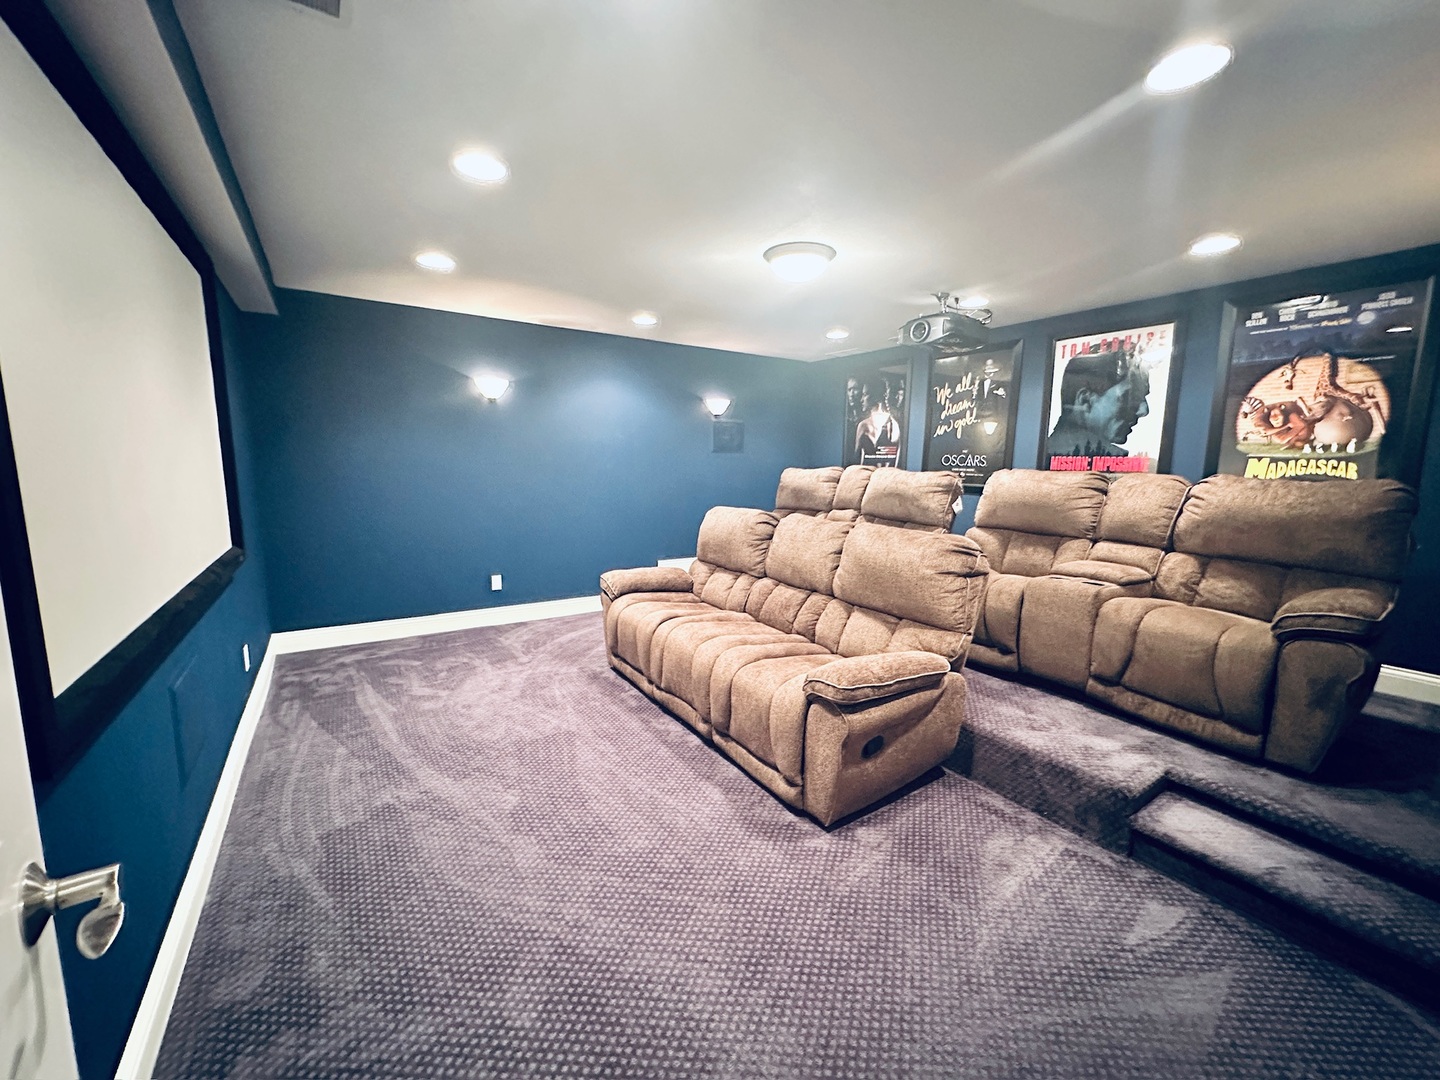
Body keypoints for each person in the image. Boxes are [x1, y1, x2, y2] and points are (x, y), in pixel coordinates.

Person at [1046, 348, 1150, 459]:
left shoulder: (1044, 453)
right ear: (1085, 400)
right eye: (1130, 396)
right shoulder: (1112, 459)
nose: (1143, 410)